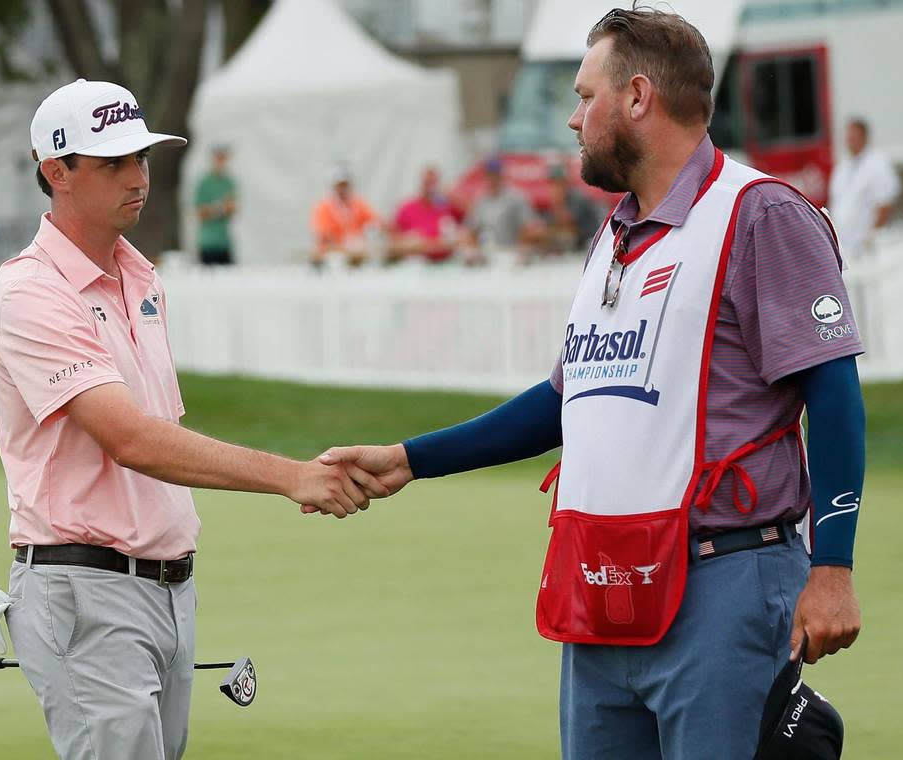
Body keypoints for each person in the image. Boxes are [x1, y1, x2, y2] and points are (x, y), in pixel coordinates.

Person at [311, 8, 866, 759]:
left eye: (583, 96)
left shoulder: (759, 213)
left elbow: (832, 391)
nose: (572, 120)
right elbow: (565, 403)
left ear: (637, 97)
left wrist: (832, 567)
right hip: (602, 585)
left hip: (726, 582)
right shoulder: (613, 235)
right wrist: (412, 458)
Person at [0, 79, 382, 760]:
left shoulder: (140, 277)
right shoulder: (31, 292)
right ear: (56, 172)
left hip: (167, 589)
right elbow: (131, 439)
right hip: (85, 591)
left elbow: (160, 424)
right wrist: (293, 477)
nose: (137, 177)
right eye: (112, 164)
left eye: (140, 159)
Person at [829, 117, 901, 262]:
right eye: (848, 137)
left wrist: (872, 236)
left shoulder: (877, 164)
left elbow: (885, 202)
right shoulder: (843, 166)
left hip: (866, 247)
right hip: (844, 246)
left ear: (864, 137)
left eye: (854, 137)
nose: (850, 141)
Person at [463, 157, 540, 258]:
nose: (492, 178)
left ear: (501, 175)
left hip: (512, 254)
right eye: (489, 174)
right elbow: (471, 231)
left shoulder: (516, 197)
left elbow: (529, 228)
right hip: (487, 256)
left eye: (495, 174)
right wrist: (472, 252)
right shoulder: (479, 201)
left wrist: (522, 251)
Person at [310, 166, 380, 266]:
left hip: (357, 253)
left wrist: (370, 232)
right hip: (333, 255)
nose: (342, 189)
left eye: (345, 185)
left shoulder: (358, 203)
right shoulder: (324, 207)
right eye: (340, 186)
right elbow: (324, 236)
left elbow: (374, 222)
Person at [390, 166, 461, 263]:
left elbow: (466, 234)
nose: (430, 187)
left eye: (433, 182)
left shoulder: (448, 206)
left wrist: (451, 195)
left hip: (446, 262)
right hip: (415, 264)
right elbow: (394, 240)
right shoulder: (407, 208)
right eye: (427, 183)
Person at [539, 163, 606, 254]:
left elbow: (569, 226)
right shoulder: (557, 199)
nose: (555, 187)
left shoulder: (578, 198)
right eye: (553, 183)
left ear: (566, 182)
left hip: (591, 244)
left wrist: (558, 203)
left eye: (559, 182)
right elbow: (549, 226)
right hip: (577, 246)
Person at [194, 146, 237, 265]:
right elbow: (200, 213)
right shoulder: (205, 182)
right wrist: (221, 208)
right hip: (208, 243)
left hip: (224, 242)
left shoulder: (228, 182)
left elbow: (233, 209)